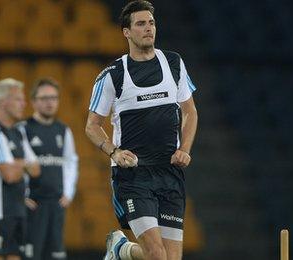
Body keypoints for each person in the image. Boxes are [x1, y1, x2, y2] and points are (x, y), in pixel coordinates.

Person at [84, 1, 199, 260]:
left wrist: (185, 149)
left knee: (170, 258)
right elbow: (92, 126)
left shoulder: (174, 63)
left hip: (170, 171)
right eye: (140, 23)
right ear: (126, 32)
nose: (149, 28)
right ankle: (123, 249)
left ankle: (121, 250)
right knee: (157, 255)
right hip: (134, 175)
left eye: (151, 22)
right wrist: (114, 152)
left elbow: (190, 112)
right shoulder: (113, 75)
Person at [0, 78, 41, 260]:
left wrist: (18, 164)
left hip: (17, 207)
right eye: (18, 99)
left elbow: (36, 169)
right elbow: (10, 175)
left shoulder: (18, 133)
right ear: (3, 102)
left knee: (14, 255)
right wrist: (23, 164)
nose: (24, 104)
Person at [22, 79, 79, 260]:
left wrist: (68, 193)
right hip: (33, 204)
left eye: (54, 97)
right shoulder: (23, 129)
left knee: (56, 254)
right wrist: (22, 194)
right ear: (33, 101)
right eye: (44, 98)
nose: (50, 102)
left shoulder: (63, 130)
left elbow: (71, 162)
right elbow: (18, 162)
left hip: (56, 204)